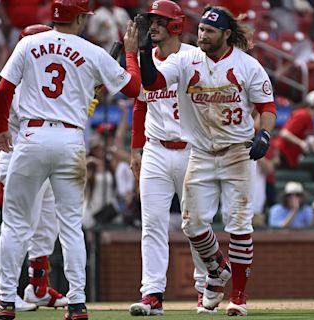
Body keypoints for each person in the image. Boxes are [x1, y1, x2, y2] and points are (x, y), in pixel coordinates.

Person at [0, 0, 141, 319]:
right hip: (70, 139)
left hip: (31, 136)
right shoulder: (92, 50)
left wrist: (0, 129)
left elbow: (3, 89)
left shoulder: (29, 42)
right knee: (70, 225)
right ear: (81, 17)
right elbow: (134, 88)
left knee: (15, 223)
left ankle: (5, 299)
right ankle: (78, 302)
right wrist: (131, 52)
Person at [137, 5, 277, 316]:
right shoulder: (186, 59)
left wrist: (264, 135)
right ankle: (217, 269)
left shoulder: (247, 65)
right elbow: (154, 84)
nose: (202, 35)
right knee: (192, 223)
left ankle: (238, 296)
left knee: (239, 223)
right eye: (200, 29)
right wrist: (145, 53)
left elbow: (267, 106)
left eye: (210, 31)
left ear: (227, 34)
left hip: (237, 151)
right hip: (199, 151)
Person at [0, 24, 70, 318]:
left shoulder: (40, 81)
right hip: (20, 162)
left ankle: (39, 287)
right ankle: (4, 293)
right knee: (20, 229)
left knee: (46, 227)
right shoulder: (18, 81)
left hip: (40, 161)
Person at [128, 1, 211, 316]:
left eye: (160, 20)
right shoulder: (147, 59)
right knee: (152, 224)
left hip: (192, 149)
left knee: (197, 223)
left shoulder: (194, 57)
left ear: (176, 24)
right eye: (151, 20)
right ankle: (152, 294)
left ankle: (205, 289)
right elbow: (140, 104)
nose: (154, 25)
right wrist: (136, 149)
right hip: (155, 150)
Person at [276, 90, 314, 169]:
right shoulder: (302, 115)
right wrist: (301, 143)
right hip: (283, 154)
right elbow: (284, 133)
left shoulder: (311, 118)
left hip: (292, 156)